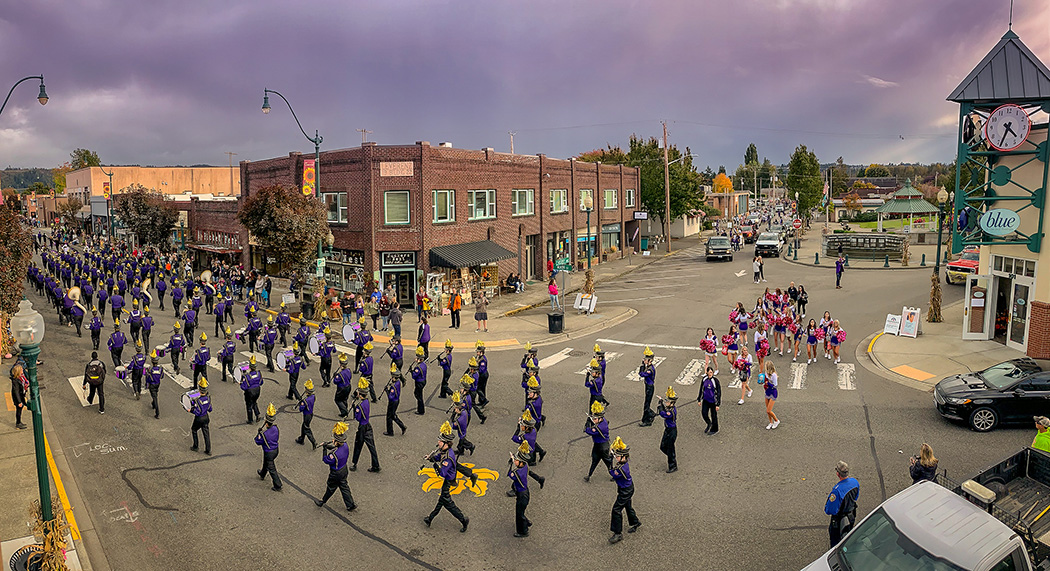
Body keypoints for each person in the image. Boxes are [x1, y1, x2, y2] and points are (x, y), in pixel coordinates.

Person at [423, 421, 470, 532]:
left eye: (441, 441)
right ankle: (430, 518)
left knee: (448, 504)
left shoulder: (448, 458)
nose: (438, 442)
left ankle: (463, 519)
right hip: (447, 480)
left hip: (448, 480)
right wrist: (431, 458)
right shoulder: (445, 450)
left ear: (446, 443)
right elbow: (439, 456)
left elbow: (442, 473)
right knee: (441, 501)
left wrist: (435, 465)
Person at [316, 422, 357, 511]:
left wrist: (324, 449)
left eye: (334, 439)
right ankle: (350, 504)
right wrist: (328, 446)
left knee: (331, 487)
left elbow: (326, 460)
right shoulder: (345, 446)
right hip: (344, 469)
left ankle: (322, 501)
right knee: (344, 487)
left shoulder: (334, 455)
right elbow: (336, 448)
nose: (332, 440)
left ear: (337, 442)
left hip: (336, 473)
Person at [608, 436, 641, 544]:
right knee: (627, 506)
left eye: (617, 456)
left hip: (625, 490)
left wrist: (609, 463)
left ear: (623, 457)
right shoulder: (622, 463)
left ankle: (618, 533)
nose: (616, 458)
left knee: (616, 510)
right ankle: (635, 522)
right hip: (627, 488)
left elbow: (613, 473)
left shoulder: (621, 469)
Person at [507, 441, 543, 537]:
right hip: (524, 492)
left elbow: (510, 474)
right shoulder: (525, 466)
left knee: (519, 514)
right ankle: (527, 522)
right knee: (520, 511)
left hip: (522, 494)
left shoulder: (517, 473)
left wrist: (511, 462)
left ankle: (523, 531)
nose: (515, 461)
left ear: (521, 463)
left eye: (516, 460)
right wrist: (514, 460)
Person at [825, 461, 859, 547]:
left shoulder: (837, 491)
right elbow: (855, 497)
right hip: (851, 516)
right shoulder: (855, 482)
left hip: (839, 521)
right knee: (847, 537)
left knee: (835, 542)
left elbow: (831, 510)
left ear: (837, 473)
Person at [350, 378, 380, 473]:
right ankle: (376, 465)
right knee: (371, 446)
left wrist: (354, 409)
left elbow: (358, 418)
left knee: (358, 445)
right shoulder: (366, 401)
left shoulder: (360, 406)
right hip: (368, 425)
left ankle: (354, 463)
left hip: (362, 427)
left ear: (360, 394)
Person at [255, 403, 283, 492]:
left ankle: (278, 485)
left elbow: (257, 441)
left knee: (272, 469)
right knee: (265, 462)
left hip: (269, 452)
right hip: (275, 449)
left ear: (266, 423)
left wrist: (259, 433)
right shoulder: (275, 428)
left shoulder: (264, 434)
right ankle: (262, 474)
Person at [584, 401, 612, 482]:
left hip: (603, 447)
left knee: (607, 462)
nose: (594, 420)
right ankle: (589, 475)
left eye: (595, 419)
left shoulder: (599, 428)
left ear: (600, 418)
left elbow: (589, 431)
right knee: (594, 460)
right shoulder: (603, 421)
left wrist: (587, 424)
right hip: (598, 445)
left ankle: (615, 475)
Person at [189, 378, 212, 455]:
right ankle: (208, 450)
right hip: (206, 417)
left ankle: (195, 446)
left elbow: (197, 412)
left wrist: (190, 410)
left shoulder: (197, 400)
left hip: (199, 418)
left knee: (194, 429)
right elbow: (210, 409)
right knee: (206, 433)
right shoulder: (208, 397)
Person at [657, 387, 678, 473]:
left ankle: (672, 465)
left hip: (672, 431)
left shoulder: (671, 412)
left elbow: (663, 414)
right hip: (667, 430)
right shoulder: (669, 408)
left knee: (670, 448)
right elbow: (664, 409)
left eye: (668, 402)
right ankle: (671, 457)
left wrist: (659, 407)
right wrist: (661, 402)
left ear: (672, 403)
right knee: (662, 446)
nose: (666, 403)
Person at [383, 364, 406, 436]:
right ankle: (402, 426)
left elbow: (390, 397)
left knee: (389, 416)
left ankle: (390, 431)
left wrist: (387, 391)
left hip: (393, 402)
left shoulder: (393, 386)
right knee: (393, 415)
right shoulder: (397, 382)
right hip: (396, 401)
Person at [697, 366, 721, 435]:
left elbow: (718, 392)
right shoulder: (704, 379)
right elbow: (701, 389)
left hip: (713, 401)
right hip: (706, 400)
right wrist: (699, 399)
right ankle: (709, 423)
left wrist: (717, 404)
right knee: (704, 413)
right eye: (709, 372)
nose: (710, 373)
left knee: (714, 416)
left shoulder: (715, 381)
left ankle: (715, 429)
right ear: (706, 372)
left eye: (711, 372)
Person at [295, 379, 318, 449]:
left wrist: (301, 404)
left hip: (306, 415)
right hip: (311, 414)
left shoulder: (305, 400)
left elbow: (301, 409)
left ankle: (313, 441)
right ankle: (301, 439)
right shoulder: (313, 396)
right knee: (303, 426)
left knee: (306, 429)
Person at [241, 355, 263, 424]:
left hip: (250, 392)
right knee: (254, 402)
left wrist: (240, 383)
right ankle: (257, 414)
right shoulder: (259, 373)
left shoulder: (247, 376)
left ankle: (250, 420)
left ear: (249, 367)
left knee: (249, 405)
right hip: (257, 390)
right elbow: (261, 382)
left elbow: (243, 387)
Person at [637, 347, 656, 426]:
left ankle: (647, 420)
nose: (644, 360)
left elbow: (641, 374)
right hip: (648, 386)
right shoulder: (648, 367)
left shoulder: (650, 370)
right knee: (646, 404)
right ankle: (649, 416)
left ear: (650, 361)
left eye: (646, 359)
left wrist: (642, 366)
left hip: (649, 387)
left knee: (646, 405)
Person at [410, 346, 427, 415]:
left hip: (419, 382)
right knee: (418, 394)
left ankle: (421, 410)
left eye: (417, 358)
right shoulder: (423, 364)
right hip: (423, 380)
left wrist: (411, 371)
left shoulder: (418, 367)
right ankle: (420, 409)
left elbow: (414, 376)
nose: (415, 359)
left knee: (418, 396)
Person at [146, 350, 163, 419]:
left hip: (152, 384)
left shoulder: (150, 370)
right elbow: (162, 376)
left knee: (154, 397)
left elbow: (148, 379)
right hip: (158, 383)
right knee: (155, 394)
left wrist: (147, 384)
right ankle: (153, 404)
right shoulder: (160, 369)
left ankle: (157, 412)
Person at [10, 364, 28, 429]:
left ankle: (19, 422)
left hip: (21, 395)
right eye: (21, 370)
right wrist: (19, 402)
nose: (22, 370)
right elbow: (16, 391)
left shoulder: (22, 377)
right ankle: (18, 423)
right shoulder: (15, 381)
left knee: (21, 407)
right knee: (19, 409)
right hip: (18, 397)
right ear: (18, 371)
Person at [763, 362, 780, 429]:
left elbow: (775, 386)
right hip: (767, 391)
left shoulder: (774, 375)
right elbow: (765, 380)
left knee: (768, 410)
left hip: (773, 393)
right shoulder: (766, 373)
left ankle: (776, 420)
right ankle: (771, 422)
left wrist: (768, 383)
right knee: (767, 409)